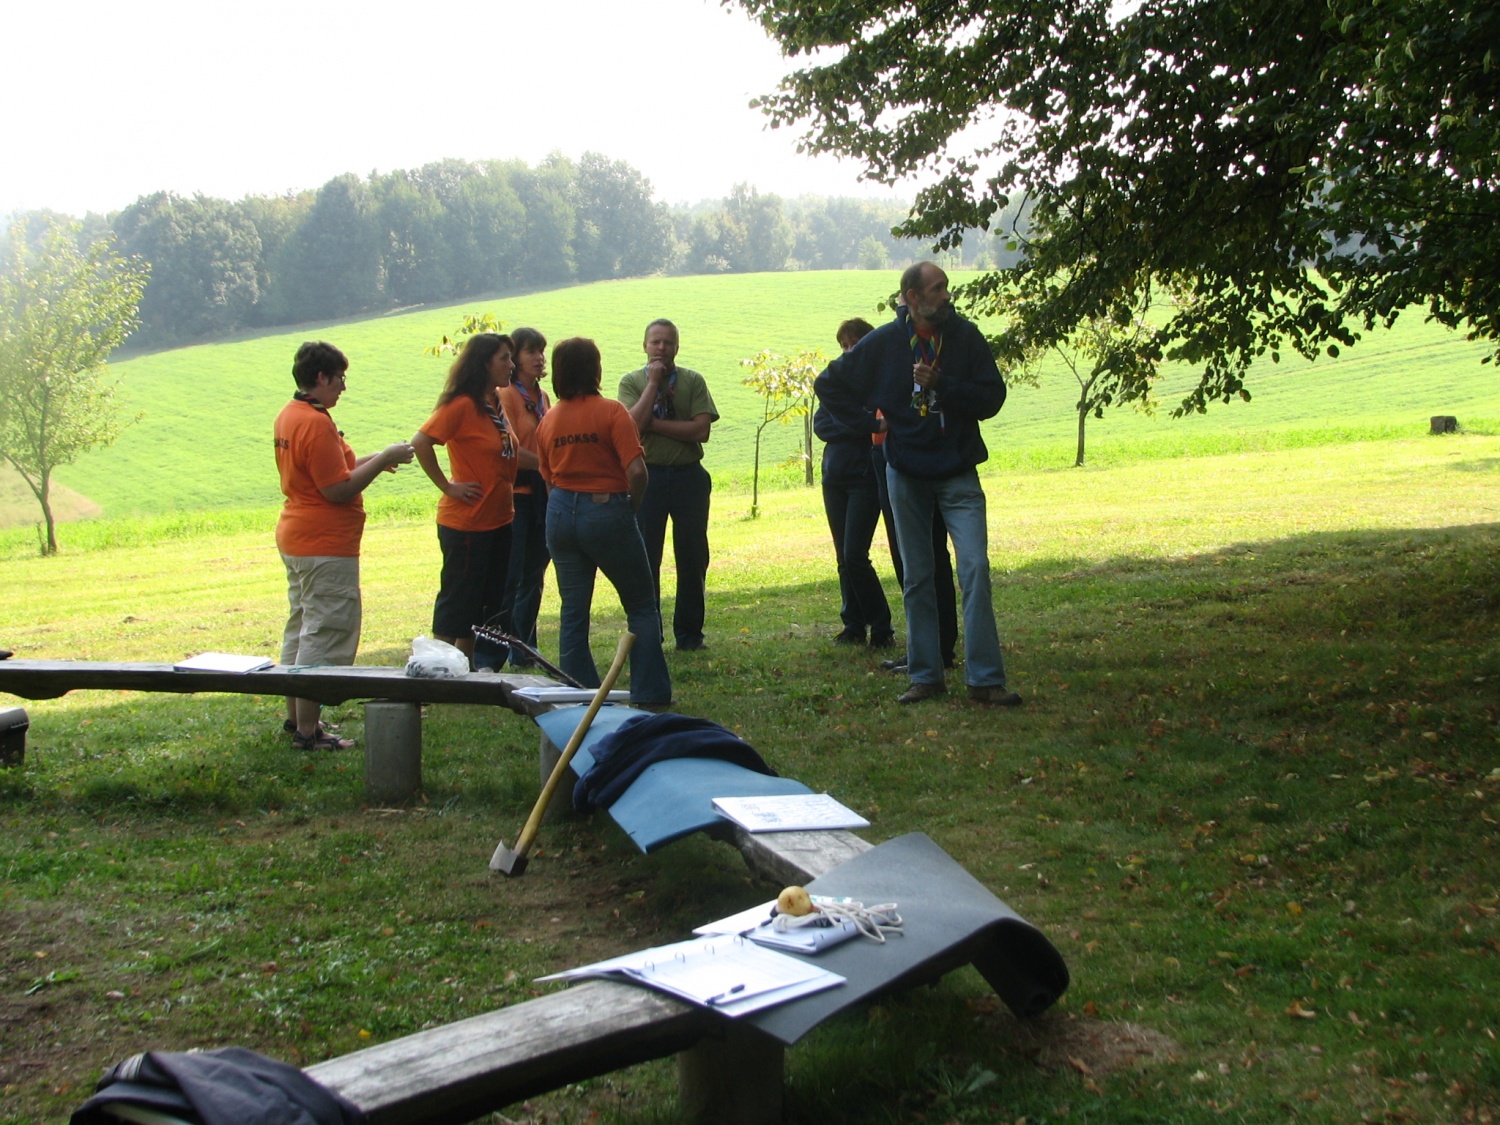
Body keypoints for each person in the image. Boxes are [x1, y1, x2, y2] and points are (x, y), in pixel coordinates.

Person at [814, 262, 1022, 706]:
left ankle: (985, 680)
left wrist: (942, 384)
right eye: (937, 288)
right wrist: (869, 422)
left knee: (975, 568)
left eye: (946, 287)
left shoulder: (964, 337)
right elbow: (828, 384)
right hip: (905, 472)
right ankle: (926, 676)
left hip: (958, 470)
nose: (947, 295)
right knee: (918, 576)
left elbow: (992, 398)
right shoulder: (885, 343)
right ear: (912, 296)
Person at [274, 341, 414, 750]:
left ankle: (296, 719)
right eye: (340, 378)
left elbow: (332, 468)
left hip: (298, 537)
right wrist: (383, 458)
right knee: (325, 633)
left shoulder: (290, 414)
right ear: (321, 377)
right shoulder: (315, 423)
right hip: (324, 544)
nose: (343, 387)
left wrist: (376, 459)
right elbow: (336, 489)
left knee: (301, 628)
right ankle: (308, 733)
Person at [539, 338, 672, 706]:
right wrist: (631, 507)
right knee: (641, 605)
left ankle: (579, 694)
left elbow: (548, 478)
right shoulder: (612, 412)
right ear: (595, 370)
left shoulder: (549, 419)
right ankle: (650, 693)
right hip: (606, 509)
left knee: (573, 610)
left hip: (560, 513)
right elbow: (637, 471)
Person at [411, 332, 530, 668]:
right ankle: (437, 668)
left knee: (485, 603)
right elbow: (421, 442)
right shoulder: (462, 405)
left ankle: (464, 668)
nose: (512, 364)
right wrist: (447, 486)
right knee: (458, 602)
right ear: (484, 364)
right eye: (504, 358)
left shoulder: (495, 400)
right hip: (467, 522)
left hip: (500, 518)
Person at [618, 319, 719, 651]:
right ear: (644, 346)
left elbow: (701, 431)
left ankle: (690, 634)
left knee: (693, 556)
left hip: (689, 477)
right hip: (648, 477)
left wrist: (655, 424)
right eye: (655, 342)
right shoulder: (631, 382)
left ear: (677, 346)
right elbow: (632, 427)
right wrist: (653, 384)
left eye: (668, 342)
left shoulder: (693, 381)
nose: (662, 348)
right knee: (646, 557)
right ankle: (650, 633)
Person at [814, 318, 895, 648]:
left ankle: (882, 627)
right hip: (834, 478)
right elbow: (822, 426)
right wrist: (863, 424)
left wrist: (855, 424)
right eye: (844, 345)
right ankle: (853, 625)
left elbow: (880, 426)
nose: (849, 350)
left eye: (855, 343)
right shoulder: (838, 383)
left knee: (855, 554)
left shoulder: (880, 383)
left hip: (865, 478)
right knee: (843, 557)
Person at [496, 327, 552, 665]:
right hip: (517, 495)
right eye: (531, 351)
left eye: (541, 351)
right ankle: (504, 645)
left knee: (535, 574)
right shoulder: (506, 395)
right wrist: (550, 465)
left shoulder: (543, 396)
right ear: (514, 358)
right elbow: (510, 450)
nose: (539, 358)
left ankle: (526, 647)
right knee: (512, 575)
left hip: (542, 494)